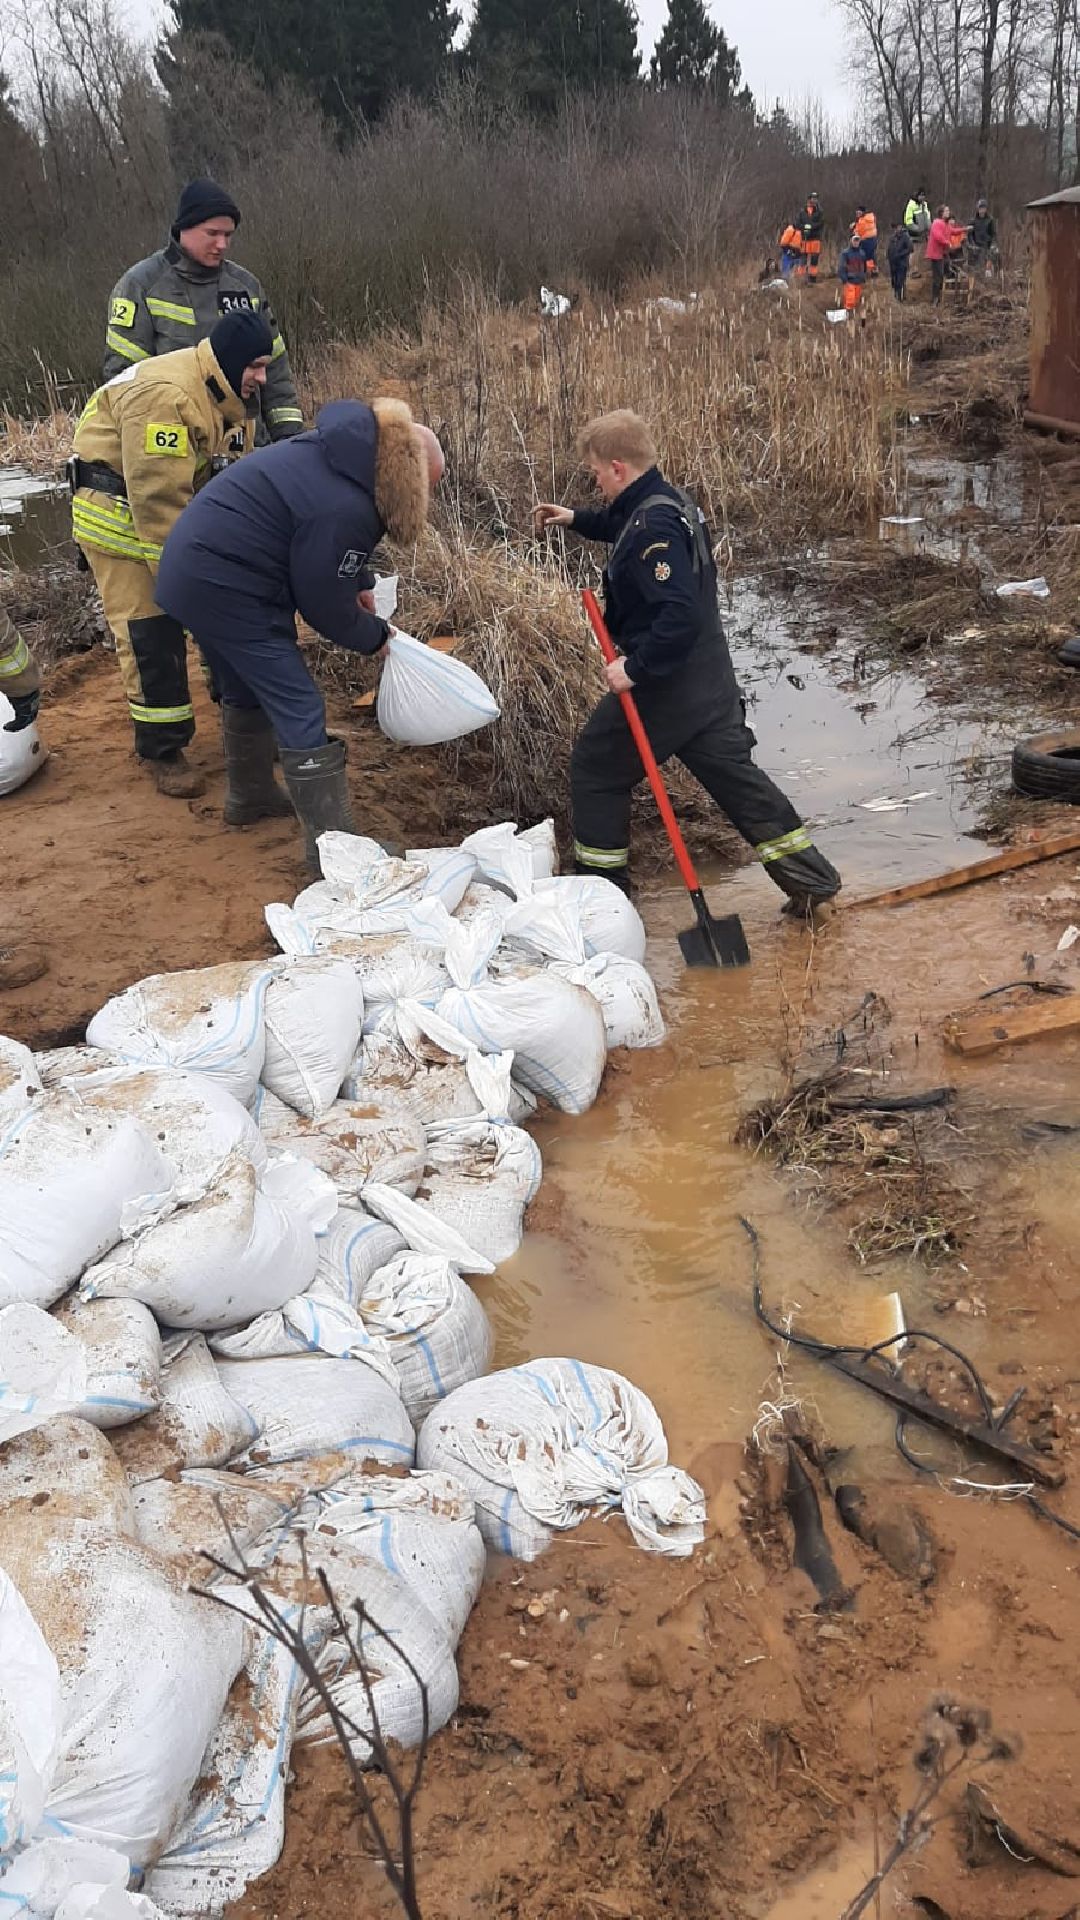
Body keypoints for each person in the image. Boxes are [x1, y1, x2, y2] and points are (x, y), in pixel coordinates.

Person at [533, 411, 841, 912]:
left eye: (594, 472)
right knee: (736, 782)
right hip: (709, 680)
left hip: (668, 682)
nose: (592, 479)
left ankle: (602, 901)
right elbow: (620, 524)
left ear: (616, 467)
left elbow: (679, 613)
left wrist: (633, 669)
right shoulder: (668, 501)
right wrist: (575, 518)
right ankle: (811, 882)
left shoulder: (652, 524)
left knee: (597, 766)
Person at [155, 400, 445, 866]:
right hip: (225, 582)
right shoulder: (348, 502)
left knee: (245, 685)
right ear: (407, 473)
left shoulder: (341, 459)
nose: (424, 501)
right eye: (426, 489)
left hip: (195, 570)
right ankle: (334, 855)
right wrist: (375, 636)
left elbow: (321, 550)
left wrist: (361, 582)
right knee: (300, 704)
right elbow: (321, 602)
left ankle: (249, 796)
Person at [71, 308, 275, 796]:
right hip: (120, 518)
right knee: (151, 630)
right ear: (229, 361)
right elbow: (157, 500)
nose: (263, 377)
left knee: (218, 609)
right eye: (257, 366)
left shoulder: (227, 393)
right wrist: (182, 578)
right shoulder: (167, 397)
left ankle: (238, 719)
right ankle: (163, 749)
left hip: (178, 516)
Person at [104, 178, 304, 446]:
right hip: (180, 447)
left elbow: (276, 370)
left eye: (228, 235)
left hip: (248, 447)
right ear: (184, 229)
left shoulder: (246, 287)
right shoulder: (141, 285)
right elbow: (125, 382)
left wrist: (290, 440)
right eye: (213, 233)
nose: (222, 244)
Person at [926, 205, 954, 306]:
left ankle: (945, 295)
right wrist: (947, 243)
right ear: (941, 213)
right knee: (937, 277)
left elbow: (953, 231)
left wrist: (965, 230)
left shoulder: (946, 224)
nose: (948, 212)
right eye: (946, 211)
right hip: (936, 254)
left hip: (943, 253)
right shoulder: (937, 223)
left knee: (948, 270)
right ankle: (935, 299)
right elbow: (938, 237)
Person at [836, 237, 869, 323]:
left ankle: (853, 320)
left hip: (859, 281)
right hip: (849, 280)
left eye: (857, 241)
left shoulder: (862, 253)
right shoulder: (845, 253)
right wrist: (844, 279)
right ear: (851, 241)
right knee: (849, 301)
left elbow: (864, 267)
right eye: (854, 241)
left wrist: (864, 277)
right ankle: (848, 320)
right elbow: (841, 267)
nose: (856, 243)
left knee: (856, 301)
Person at [798, 193, 824, 284]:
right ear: (809, 199)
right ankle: (801, 279)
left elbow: (821, 223)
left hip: (815, 238)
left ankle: (812, 278)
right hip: (804, 238)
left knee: (814, 259)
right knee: (803, 259)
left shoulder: (820, 212)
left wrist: (810, 227)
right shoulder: (802, 212)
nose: (814, 200)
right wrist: (805, 227)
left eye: (816, 199)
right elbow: (798, 223)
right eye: (813, 198)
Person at [968, 198, 997, 275]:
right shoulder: (972, 220)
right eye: (980, 208)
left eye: (983, 208)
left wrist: (993, 244)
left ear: (986, 209)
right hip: (976, 247)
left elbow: (993, 234)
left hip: (987, 246)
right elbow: (970, 235)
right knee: (976, 268)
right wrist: (972, 245)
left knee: (988, 268)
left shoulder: (990, 220)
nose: (982, 210)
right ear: (978, 209)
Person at [886, 218, 913, 301]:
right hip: (893, 262)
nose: (896, 229)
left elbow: (910, 248)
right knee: (894, 280)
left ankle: (900, 297)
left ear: (900, 227)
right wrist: (887, 255)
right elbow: (889, 248)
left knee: (900, 280)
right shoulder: (892, 237)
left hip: (902, 262)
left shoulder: (905, 237)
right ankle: (896, 295)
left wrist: (900, 254)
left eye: (897, 227)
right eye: (894, 228)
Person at [853, 205, 878, 275]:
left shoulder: (862, 221)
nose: (857, 214)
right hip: (873, 239)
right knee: (871, 256)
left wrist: (854, 228)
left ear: (863, 212)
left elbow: (858, 232)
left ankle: (867, 272)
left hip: (866, 240)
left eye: (859, 212)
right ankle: (874, 270)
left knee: (866, 256)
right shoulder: (870, 218)